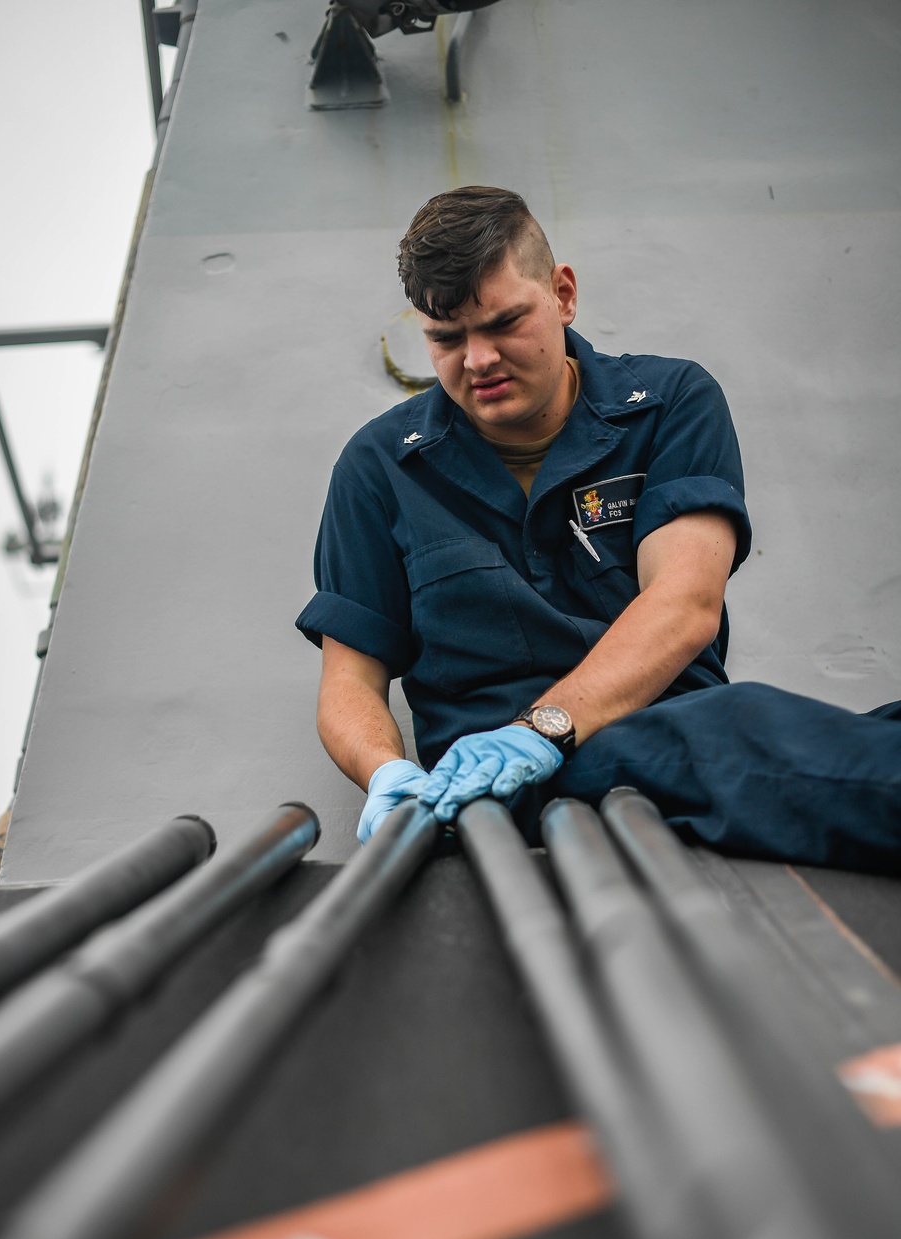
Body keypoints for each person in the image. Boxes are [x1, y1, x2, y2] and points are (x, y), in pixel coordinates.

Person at [296, 186, 901, 872]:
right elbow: (349, 679)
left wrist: (545, 729)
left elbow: (684, 605)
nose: (478, 360)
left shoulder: (671, 403)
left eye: (503, 323)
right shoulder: (379, 467)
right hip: (500, 790)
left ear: (563, 293)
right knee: (743, 733)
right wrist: (386, 775)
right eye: (446, 338)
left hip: (664, 729)